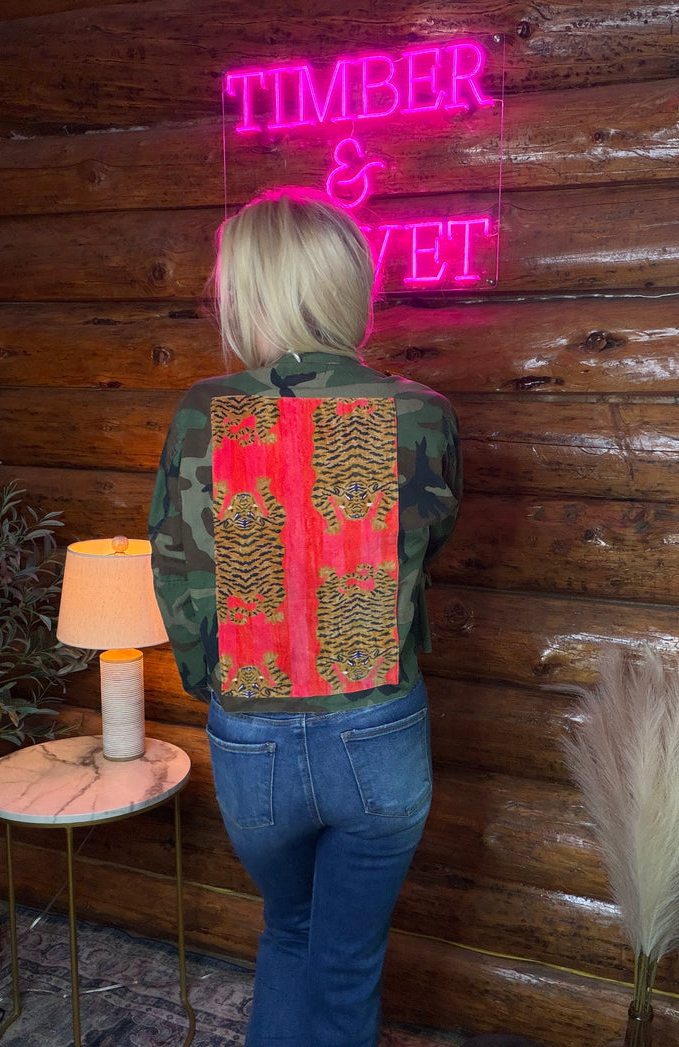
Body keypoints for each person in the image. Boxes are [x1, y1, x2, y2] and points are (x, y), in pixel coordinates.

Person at [149, 187, 461, 1047]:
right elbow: (427, 544)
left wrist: (234, 693)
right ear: (345, 284)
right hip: (377, 729)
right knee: (347, 959)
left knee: (289, 932)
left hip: (253, 739)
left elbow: (176, 573)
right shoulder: (421, 412)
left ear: (250, 289)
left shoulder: (203, 412)